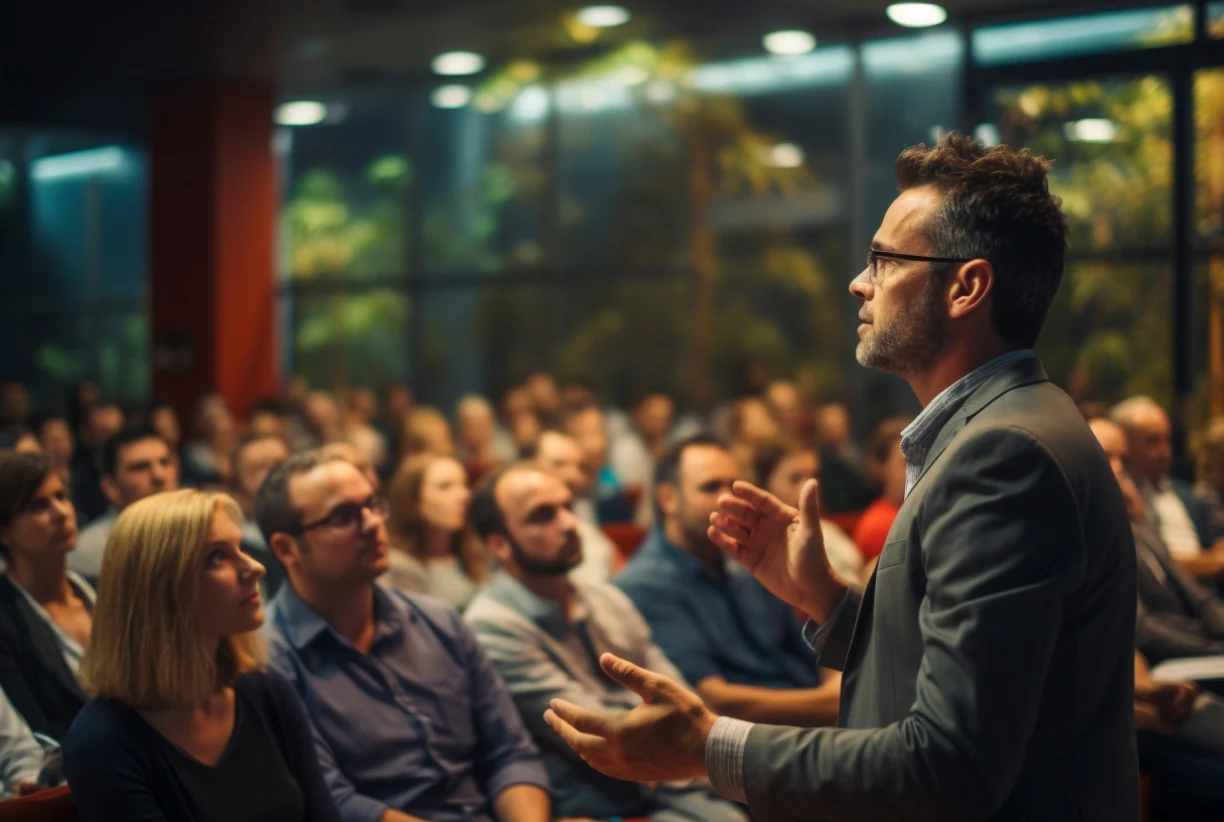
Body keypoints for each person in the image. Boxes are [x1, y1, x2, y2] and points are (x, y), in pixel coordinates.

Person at [544, 133, 1139, 821]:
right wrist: (827, 600)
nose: (860, 282)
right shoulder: (1010, 422)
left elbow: (950, 764)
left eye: (885, 260)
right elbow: (968, 668)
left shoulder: (1004, 454)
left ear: (967, 287)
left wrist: (709, 747)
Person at [256, 451, 552, 822]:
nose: (371, 524)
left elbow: (511, 753)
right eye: (343, 516)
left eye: (371, 505)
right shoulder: (269, 659)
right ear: (286, 549)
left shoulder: (439, 620)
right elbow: (336, 802)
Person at [465, 464, 748, 822]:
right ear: (499, 545)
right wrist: (702, 753)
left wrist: (710, 750)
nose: (570, 523)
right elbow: (604, 730)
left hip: (672, 778)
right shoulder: (491, 626)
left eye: (568, 507)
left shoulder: (604, 597)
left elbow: (679, 696)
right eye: (543, 515)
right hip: (599, 800)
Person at [62, 489, 341, 822]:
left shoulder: (266, 690)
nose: (254, 567)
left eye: (240, 548)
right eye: (217, 557)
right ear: (160, 589)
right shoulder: (102, 742)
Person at [616, 436, 840, 727]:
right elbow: (714, 700)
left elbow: (811, 649)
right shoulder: (644, 584)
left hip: (818, 716)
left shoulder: (743, 558)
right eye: (710, 487)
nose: (727, 500)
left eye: (733, 487)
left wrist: (839, 681)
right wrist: (832, 703)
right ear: (668, 499)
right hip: (754, 738)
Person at [1090, 417, 1224, 689]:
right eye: (1106, 457)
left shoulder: (1137, 520)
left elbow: (1198, 597)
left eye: (1122, 459)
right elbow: (1143, 629)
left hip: (1197, 642)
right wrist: (1214, 648)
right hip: (1163, 664)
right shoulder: (1090, 532)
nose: (1118, 468)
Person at [0, 453, 90, 741]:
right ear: (4, 532)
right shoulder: (6, 621)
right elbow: (35, 733)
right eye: (39, 505)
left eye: (61, 496)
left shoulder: (100, 591)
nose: (61, 513)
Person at [1112, 396, 1224, 579]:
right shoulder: (1122, 500)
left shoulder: (1190, 495)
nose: (1165, 449)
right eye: (1153, 441)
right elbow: (1149, 563)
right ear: (1125, 444)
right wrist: (1209, 563)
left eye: (1167, 439)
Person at [69, 427, 179, 584]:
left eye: (165, 462)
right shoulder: (89, 552)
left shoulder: (204, 532)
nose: (159, 475)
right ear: (111, 487)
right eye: (141, 467)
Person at [384, 453, 490, 610]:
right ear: (414, 500)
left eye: (464, 485)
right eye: (445, 486)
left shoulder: (473, 555)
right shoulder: (398, 567)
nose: (464, 495)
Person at [752, 441, 864, 586]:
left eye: (814, 476)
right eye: (795, 479)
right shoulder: (765, 545)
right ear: (765, 485)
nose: (809, 486)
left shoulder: (828, 529)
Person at [528, 430, 617, 584]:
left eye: (578, 466)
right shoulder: (525, 529)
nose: (572, 475)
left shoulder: (583, 514)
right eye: (559, 464)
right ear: (526, 468)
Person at [230, 434, 292, 597]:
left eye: (279, 466)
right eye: (256, 469)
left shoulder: (315, 523)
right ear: (239, 481)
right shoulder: (237, 543)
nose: (270, 476)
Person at [851, 417, 911, 565]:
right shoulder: (879, 525)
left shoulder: (910, 511)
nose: (917, 469)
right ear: (880, 466)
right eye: (906, 462)